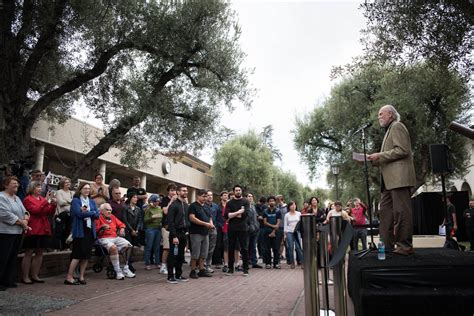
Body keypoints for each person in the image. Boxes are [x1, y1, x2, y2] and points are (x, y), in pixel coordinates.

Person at [368, 104, 416, 255]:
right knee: (385, 213)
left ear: (391, 114)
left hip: (399, 179)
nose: (379, 117)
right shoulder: (389, 130)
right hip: (388, 182)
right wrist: (373, 159)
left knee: (401, 213)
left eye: (381, 113)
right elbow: (391, 155)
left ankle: (404, 246)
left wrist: (379, 156)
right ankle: (386, 246)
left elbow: (402, 150)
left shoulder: (397, 126)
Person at [21, 181, 57, 284]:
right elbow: (35, 211)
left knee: (40, 252)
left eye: (40, 187)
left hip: (43, 227)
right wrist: (46, 201)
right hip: (33, 227)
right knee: (29, 252)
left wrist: (53, 205)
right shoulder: (28, 199)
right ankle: (25, 276)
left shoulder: (41, 199)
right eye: (37, 186)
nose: (40, 188)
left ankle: (35, 275)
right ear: (32, 188)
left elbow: (48, 212)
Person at [64, 182, 100, 285]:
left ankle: (81, 276)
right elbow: (78, 214)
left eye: (88, 189)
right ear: (80, 190)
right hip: (80, 230)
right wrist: (92, 213)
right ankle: (69, 277)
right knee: (77, 254)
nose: (87, 190)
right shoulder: (76, 201)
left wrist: (89, 213)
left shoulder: (92, 201)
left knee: (86, 255)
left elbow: (97, 215)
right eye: (85, 188)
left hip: (89, 230)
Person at [0, 176, 30, 291]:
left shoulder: (17, 198)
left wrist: (26, 219)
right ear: (6, 185)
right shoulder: (1, 197)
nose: (16, 186)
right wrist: (22, 223)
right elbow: (5, 214)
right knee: (3, 257)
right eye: (14, 184)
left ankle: (8, 280)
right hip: (5, 232)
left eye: (17, 184)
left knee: (12, 257)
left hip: (17, 232)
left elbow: (25, 211)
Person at [96, 203, 135, 279]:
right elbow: (95, 230)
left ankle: (125, 268)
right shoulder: (98, 217)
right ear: (102, 211)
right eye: (107, 210)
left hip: (115, 237)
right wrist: (102, 227)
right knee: (114, 248)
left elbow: (121, 224)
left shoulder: (112, 217)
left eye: (110, 210)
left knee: (129, 246)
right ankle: (118, 271)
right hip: (103, 238)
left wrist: (122, 228)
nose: (109, 211)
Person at [224, 185, 250, 276]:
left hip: (243, 228)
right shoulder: (230, 202)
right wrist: (239, 212)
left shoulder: (246, 201)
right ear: (233, 191)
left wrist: (233, 214)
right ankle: (231, 269)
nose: (238, 191)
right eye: (236, 190)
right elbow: (227, 215)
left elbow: (245, 214)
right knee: (231, 248)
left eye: (239, 190)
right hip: (232, 228)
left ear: (241, 191)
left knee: (244, 248)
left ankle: (245, 269)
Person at [166, 185, 189, 284]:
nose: (185, 192)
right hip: (175, 234)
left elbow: (187, 219)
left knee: (181, 255)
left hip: (184, 233)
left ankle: (179, 275)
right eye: (183, 191)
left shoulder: (186, 205)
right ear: (178, 192)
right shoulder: (174, 205)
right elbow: (170, 222)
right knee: (172, 255)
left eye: (186, 191)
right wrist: (174, 236)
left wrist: (187, 231)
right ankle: (170, 276)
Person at [188, 189, 214, 279]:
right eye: (203, 196)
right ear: (198, 196)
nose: (205, 198)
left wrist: (211, 223)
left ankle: (202, 270)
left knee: (204, 253)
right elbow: (192, 218)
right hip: (196, 232)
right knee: (195, 253)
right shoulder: (193, 206)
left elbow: (210, 217)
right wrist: (205, 224)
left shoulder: (206, 206)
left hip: (205, 232)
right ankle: (193, 270)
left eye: (206, 196)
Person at [159, 183, 177, 275]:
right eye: (171, 190)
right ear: (168, 191)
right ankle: (163, 266)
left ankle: (172, 265)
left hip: (175, 226)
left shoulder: (178, 200)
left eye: (174, 190)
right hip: (166, 226)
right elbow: (165, 211)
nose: (173, 192)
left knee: (174, 248)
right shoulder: (165, 200)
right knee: (166, 247)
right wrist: (171, 202)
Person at [123, 193, 143, 270]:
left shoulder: (138, 209)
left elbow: (140, 220)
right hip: (128, 230)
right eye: (134, 197)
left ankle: (129, 263)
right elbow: (125, 220)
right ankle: (126, 263)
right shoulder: (125, 207)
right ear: (130, 198)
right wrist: (131, 230)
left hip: (135, 231)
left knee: (132, 247)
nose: (136, 199)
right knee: (128, 246)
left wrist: (137, 229)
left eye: (137, 197)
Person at [143, 194, 163, 270]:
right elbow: (145, 220)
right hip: (150, 229)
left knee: (157, 246)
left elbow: (162, 217)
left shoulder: (159, 208)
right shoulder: (148, 209)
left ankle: (157, 262)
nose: (157, 203)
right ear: (152, 201)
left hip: (158, 228)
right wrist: (152, 218)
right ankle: (147, 263)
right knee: (149, 246)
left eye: (158, 201)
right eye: (156, 201)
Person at [55, 177, 74, 250]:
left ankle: (66, 247)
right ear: (62, 184)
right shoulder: (59, 192)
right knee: (58, 230)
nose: (68, 184)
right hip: (61, 214)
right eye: (66, 182)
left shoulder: (72, 193)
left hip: (70, 214)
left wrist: (66, 201)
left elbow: (74, 203)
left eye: (69, 182)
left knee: (68, 230)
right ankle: (56, 247)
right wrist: (70, 202)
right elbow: (61, 202)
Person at [263, 196, 281, 269]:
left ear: (275, 202)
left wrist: (274, 230)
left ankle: (276, 263)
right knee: (267, 248)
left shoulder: (278, 211)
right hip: (267, 231)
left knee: (276, 248)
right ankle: (268, 263)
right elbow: (265, 222)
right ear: (268, 202)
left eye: (273, 201)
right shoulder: (265, 211)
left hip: (276, 232)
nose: (272, 202)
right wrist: (273, 226)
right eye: (270, 201)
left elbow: (278, 222)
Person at [284, 201, 303, 269]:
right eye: (291, 205)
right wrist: (285, 234)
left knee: (298, 248)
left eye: (294, 205)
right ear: (289, 207)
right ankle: (292, 263)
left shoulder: (299, 213)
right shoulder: (287, 215)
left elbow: (301, 224)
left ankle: (302, 262)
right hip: (289, 232)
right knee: (290, 247)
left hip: (297, 232)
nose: (293, 206)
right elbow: (285, 225)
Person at [204, 190, 219, 272]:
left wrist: (215, 226)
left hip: (213, 229)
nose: (210, 197)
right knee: (204, 248)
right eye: (208, 195)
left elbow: (218, 217)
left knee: (211, 248)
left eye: (211, 195)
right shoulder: (202, 206)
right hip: (204, 228)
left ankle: (208, 265)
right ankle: (201, 265)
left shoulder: (215, 206)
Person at [246, 193, 262, 268]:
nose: (250, 198)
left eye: (251, 196)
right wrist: (248, 227)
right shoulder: (244, 207)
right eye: (249, 196)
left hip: (255, 229)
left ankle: (254, 262)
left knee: (253, 246)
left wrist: (257, 225)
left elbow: (255, 217)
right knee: (246, 246)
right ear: (246, 198)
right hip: (247, 230)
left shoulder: (253, 206)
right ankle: (246, 262)